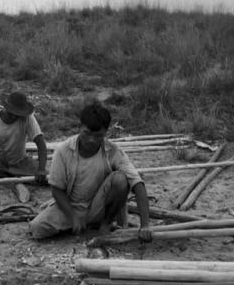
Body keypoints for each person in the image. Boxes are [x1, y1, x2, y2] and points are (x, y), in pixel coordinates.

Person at [29, 101, 152, 241]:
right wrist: (73, 217)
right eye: (86, 133)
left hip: (98, 207)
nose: (91, 140)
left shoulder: (112, 151)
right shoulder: (63, 151)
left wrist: (145, 226)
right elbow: (57, 190)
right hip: (71, 206)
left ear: (106, 132)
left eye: (98, 136)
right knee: (37, 229)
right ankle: (83, 224)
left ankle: (105, 224)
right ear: (79, 128)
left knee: (120, 179)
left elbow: (138, 184)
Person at [0, 91, 48, 186]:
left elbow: (41, 144)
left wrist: (41, 170)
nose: (14, 116)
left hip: (20, 162)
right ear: (5, 107)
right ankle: (17, 177)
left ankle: (11, 176)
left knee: (50, 177)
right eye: (11, 113)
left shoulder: (27, 118)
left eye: (17, 114)